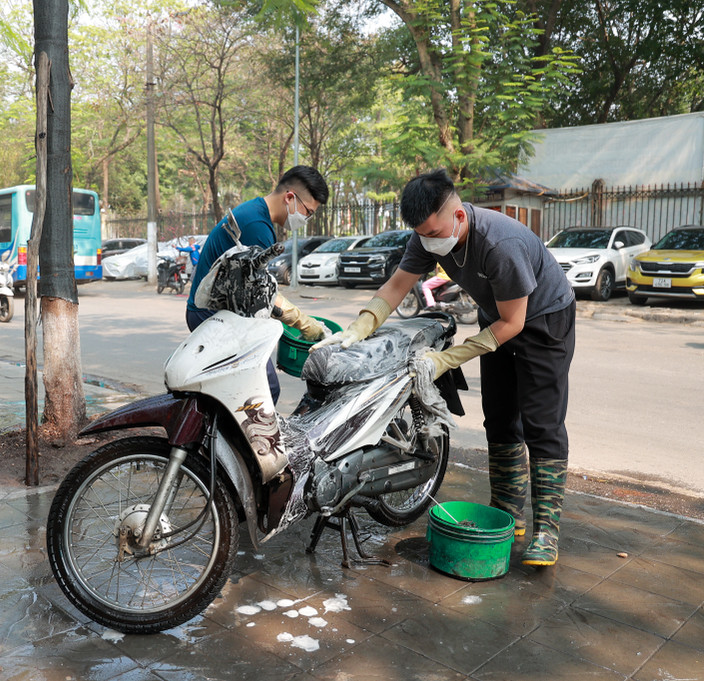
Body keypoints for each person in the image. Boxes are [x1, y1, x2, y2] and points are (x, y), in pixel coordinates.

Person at [314, 169, 575, 567]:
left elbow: (515, 323)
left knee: (542, 423)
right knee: (500, 417)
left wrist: (446, 360)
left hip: (543, 319)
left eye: (435, 233)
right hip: (497, 317)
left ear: (459, 218)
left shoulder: (500, 243)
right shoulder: (428, 236)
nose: (429, 243)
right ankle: (508, 510)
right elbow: (398, 284)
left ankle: (547, 532)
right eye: (422, 234)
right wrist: (359, 326)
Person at [186, 165, 330, 403]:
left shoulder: (255, 212)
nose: (306, 219)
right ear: (290, 197)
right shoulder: (256, 227)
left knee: (242, 390)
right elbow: (263, 295)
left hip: (218, 311)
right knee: (264, 390)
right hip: (211, 316)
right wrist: (304, 323)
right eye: (308, 212)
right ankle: (246, 441)